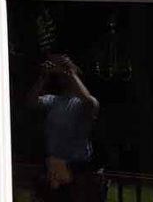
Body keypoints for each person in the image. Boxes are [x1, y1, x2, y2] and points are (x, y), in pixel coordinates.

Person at [26, 54, 100, 202]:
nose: (64, 79)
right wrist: (43, 77)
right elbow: (30, 102)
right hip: (54, 165)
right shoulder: (53, 100)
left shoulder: (84, 103)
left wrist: (71, 73)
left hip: (77, 166)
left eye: (68, 76)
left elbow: (88, 101)